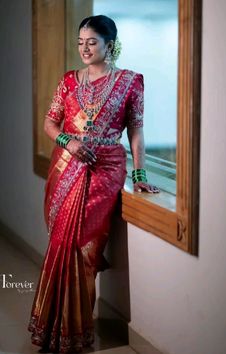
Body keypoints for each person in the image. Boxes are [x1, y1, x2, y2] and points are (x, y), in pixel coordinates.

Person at [28, 15, 159, 353]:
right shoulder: (69, 81)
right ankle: (52, 327)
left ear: (109, 45)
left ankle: (76, 329)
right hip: (67, 166)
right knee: (61, 240)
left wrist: (141, 175)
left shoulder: (131, 82)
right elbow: (50, 122)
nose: (85, 48)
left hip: (106, 170)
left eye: (92, 42)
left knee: (85, 246)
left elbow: (136, 131)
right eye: (80, 41)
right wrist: (68, 143)